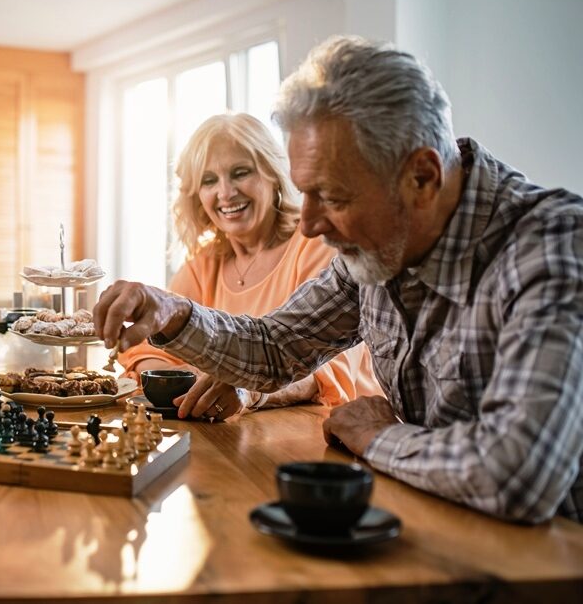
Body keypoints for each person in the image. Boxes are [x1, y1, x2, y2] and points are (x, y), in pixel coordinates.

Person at [95, 35, 583, 524]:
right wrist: (174, 312)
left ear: (422, 178)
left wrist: (378, 436)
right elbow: (275, 348)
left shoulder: (553, 248)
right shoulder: (374, 252)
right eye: (306, 193)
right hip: (426, 527)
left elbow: (518, 473)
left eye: (332, 196)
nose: (308, 224)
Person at [118, 113, 380, 419]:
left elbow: (328, 367)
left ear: (273, 174)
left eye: (240, 172)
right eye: (209, 180)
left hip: (325, 434)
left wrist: (248, 388)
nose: (226, 192)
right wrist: (172, 377)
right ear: (196, 194)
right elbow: (150, 348)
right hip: (235, 436)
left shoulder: (318, 245)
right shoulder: (202, 265)